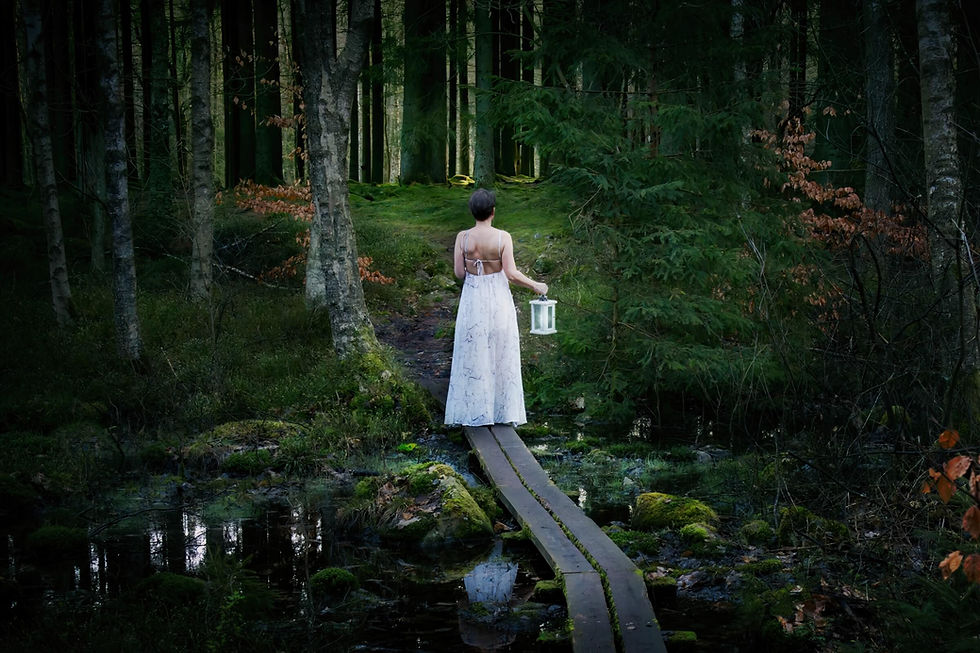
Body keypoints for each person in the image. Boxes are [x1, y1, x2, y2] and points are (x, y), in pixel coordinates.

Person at [444, 189, 548, 427]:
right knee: (501, 349)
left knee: (473, 350)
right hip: (498, 298)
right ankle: (501, 411)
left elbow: (460, 273)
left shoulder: (463, 237)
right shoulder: (503, 237)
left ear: (473, 212)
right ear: (493, 212)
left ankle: (474, 411)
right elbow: (511, 274)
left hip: (473, 297)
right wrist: (536, 285)